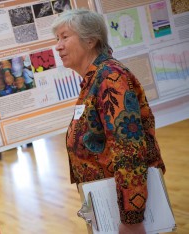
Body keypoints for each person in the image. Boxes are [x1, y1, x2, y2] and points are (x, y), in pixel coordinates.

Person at [52, 9, 165, 234]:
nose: (58, 46)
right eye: (57, 39)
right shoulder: (95, 79)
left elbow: (129, 150)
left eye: (65, 37)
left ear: (91, 39)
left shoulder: (110, 78)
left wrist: (131, 219)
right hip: (107, 203)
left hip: (123, 211)